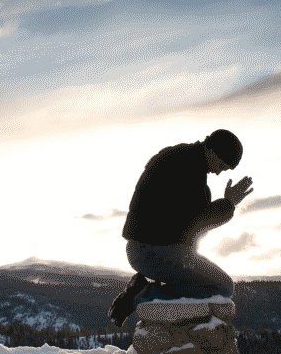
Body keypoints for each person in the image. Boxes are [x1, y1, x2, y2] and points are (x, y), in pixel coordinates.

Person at [108, 129, 253, 326]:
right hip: (155, 252)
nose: (218, 172)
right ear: (212, 150)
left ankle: (144, 292)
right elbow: (197, 224)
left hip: (144, 249)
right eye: (220, 165)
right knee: (222, 286)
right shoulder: (190, 171)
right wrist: (228, 203)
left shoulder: (181, 158)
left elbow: (183, 221)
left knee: (205, 283)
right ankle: (142, 295)